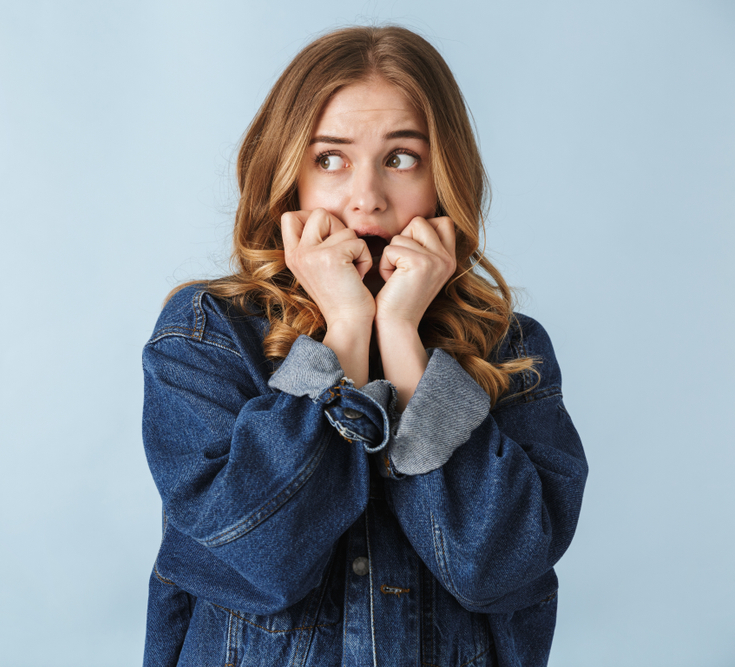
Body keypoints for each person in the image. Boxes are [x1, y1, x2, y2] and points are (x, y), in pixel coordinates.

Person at [141, 25, 587, 667]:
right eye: (330, 159)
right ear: (289, 175)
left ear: (444, 176)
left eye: (401, 158)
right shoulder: (209, 333)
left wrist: (403, 345)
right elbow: (257, 562)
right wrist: (346, 332)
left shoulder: (510, 351)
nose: (367, 200)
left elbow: (499, 570)